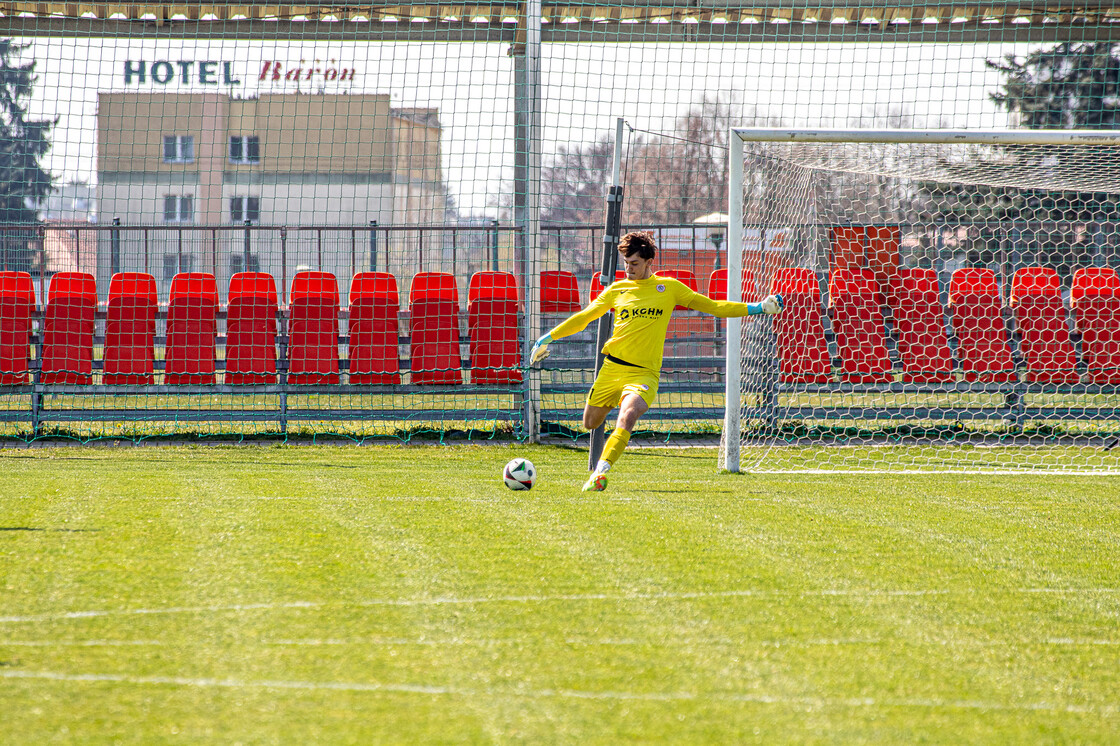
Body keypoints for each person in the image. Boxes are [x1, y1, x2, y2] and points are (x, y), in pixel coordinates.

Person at [529, 231, 784, 492]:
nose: (628, 269)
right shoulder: (617, 290)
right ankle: (604, 448)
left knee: (627, 416)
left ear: (649, 262)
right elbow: (584, 317)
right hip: (612, 368)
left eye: (634, 264)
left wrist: (758, 308)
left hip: (643, 374)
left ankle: (600, 472)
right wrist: (546, 338)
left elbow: (713, 307)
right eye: (626, 263)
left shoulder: (669, 288)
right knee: (590, 423)